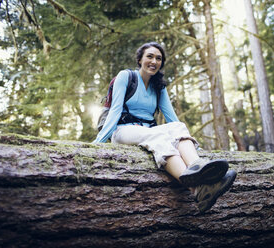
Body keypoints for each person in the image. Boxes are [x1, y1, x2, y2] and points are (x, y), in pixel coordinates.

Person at [93, 41, 237, 213]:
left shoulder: (159, 86)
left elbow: (172, 119)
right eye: (150, 56)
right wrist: (97, 144)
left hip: (146, 130)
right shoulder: (126, 77)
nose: (154, 61)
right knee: (157, 137)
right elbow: (115, 112)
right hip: (122, 131)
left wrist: (191, 145)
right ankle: (198, 188)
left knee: (178, 126)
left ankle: (197, 168)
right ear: (140, 59)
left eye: (158, 58)